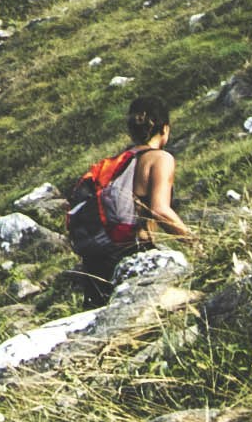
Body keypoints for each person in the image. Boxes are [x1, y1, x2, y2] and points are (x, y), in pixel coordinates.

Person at [64, 98, 195, 297]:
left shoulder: (118, 162)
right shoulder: (160, 158)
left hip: (96, 258)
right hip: (131, 253)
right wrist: (194, 241)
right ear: (165, 129)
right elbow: (160, 210)